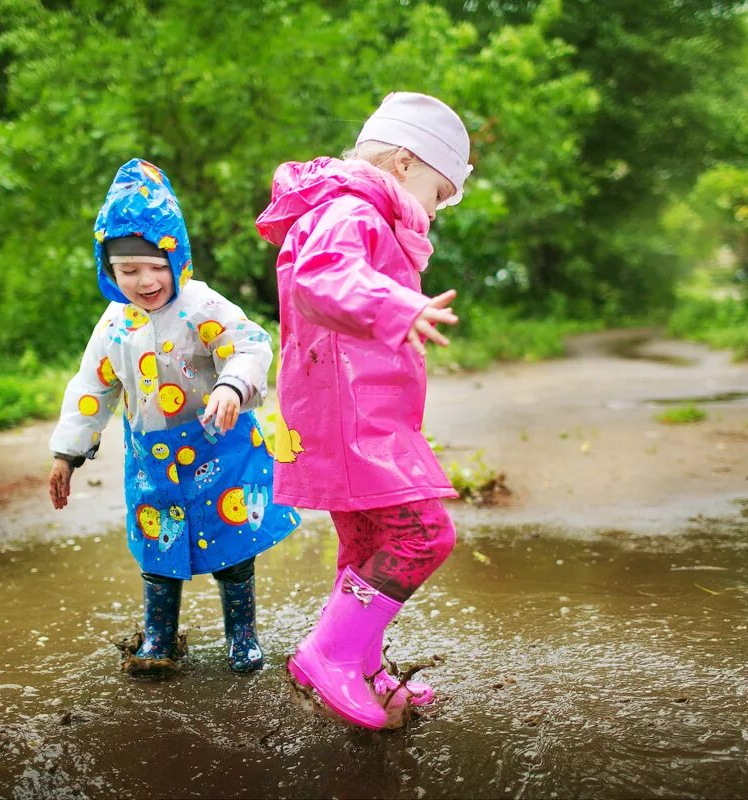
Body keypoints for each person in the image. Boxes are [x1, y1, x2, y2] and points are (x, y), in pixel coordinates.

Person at [255, 92, 472, 729]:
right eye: (438, 193)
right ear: (405, 163)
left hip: (349, 413)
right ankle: (331, 652)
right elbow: (322, 281)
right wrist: (402, 307)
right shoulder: (353, 210)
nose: (435, 212)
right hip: (356, 420)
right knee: (423, 534)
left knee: (370, 543)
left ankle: (362, 663)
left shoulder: (349, 211)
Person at [50, 158, 300, 676]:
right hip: (154, 464)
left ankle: (243, 635)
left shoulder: (200, 305)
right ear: (109, 271)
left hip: (218, 448)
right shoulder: (114, 324)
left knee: (232, 552)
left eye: (155, 265)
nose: (144, 280)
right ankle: (159, 639)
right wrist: (67, 453)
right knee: (158, 555)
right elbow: (92, 388)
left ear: (177, 256)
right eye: (128, 270)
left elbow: (249, 343)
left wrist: (233, 384)